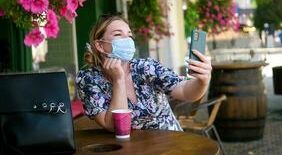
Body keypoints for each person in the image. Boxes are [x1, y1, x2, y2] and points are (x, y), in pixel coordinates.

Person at [75, 16, 212, 131]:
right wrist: (118, 81)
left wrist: (202, 81)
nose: (127, 40)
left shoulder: (146, 67)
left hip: (172, 144)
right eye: (118, 34)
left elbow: (185, 91)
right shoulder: (88, 79)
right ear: (100, 45)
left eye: (129, 35)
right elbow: (114, 127)